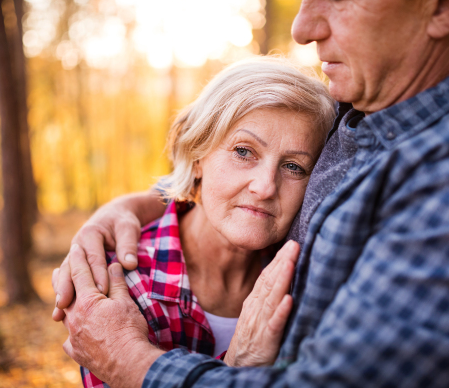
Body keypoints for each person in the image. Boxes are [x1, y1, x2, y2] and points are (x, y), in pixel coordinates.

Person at [53, 0, 449, 387]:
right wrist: (123, 210)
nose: (303, 27)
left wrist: (129, 362)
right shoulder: (360, 117)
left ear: (443, 2)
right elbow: (223, 162)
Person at [77, 57, 336, 387]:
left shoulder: (308, 280)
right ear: (197, 155)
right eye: (244, 152)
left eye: (294, 167)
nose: (266, 186)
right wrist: (236, 364)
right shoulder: (125, 282)